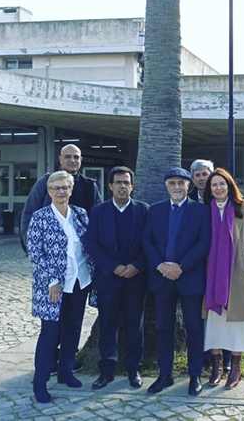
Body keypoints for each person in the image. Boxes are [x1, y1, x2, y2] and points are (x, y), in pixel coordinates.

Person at [20, 144, 101, 374]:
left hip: (79, 273)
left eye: (76, 157)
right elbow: (28, 215)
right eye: (68, 157)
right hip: (52, 273)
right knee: (52, 325)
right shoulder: (45, 183)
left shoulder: (89, 187)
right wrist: (33, 252)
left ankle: (67, 362)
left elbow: (96, 221)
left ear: (81, 160)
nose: (72, 160)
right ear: (60, 159)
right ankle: (47, 366)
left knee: (73, 323)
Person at [141, 168, 212, 396]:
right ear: (167, 186)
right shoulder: (155, 210)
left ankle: (195, 375)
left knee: (194, 328)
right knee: (164, 328)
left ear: (188, 186)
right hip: (162, 278)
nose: (177, 187)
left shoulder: (201, 211)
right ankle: (165, 375)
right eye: (172, 183)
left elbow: (204, 242)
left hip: (189, 278)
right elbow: (146, 240)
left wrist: (181, 267)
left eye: (181, 183)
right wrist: (161, 266)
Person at [26, 171, 93, 404]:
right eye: (56, 188)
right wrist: (52, 280)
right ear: (49, 191)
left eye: (65, 187)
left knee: (73, 329)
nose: (61, 192)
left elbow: (88, 245)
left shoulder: (80, 214)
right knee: (50, 333)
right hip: (52, 287)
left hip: (79, 281)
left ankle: (66, 371)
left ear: (71, 190)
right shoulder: (40, 217)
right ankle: (40, 383)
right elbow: (35, 252)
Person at [83, 166, 151, 391]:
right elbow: (91, 243)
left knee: (135, 325)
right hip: (108, 279)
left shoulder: (144, 210)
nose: (122, 186)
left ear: (132, 186)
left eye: (126, 182)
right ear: (110, 186)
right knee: (107, 325)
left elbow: (150, 242)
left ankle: (134, 369)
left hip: (135, 278)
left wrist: (137, 266)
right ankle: (106, 370)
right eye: (118, 182)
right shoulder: (99, 211)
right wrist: (113, 267)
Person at [201, 168, 244, 389]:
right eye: (214, 185)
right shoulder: (205, 210)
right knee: (214, 322)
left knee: (238, 322)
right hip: (212, 275)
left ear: (229, 186)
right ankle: (217, 368)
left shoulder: (242, 208)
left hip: (237, 275)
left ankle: (235, 369)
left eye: (222, 184)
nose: (218, 188)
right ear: (210, 189)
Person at [188, 159, 233, 376]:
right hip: (199, 266)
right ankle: (208, 357)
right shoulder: (188, 201)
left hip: (222, 266)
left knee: (225, 310)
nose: (201, 178)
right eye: (197, 175)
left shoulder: (225, 201)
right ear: (192, 179)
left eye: (204, 174)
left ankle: (227, 357)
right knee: (204, 314)